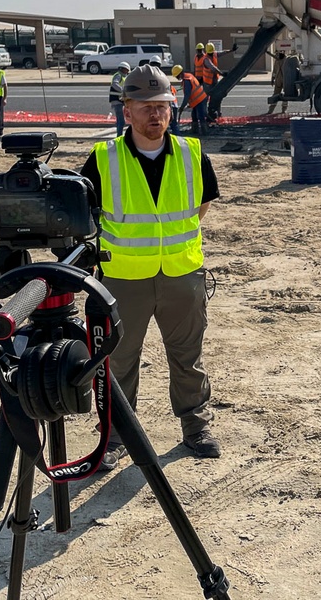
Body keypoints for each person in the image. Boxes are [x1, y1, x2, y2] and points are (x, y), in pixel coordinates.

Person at [80, 64, 223, 469]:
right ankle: (115, 437)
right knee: (119, 358)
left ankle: (195, 427)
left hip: (182, 274)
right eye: (145, 106)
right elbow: (87, 213)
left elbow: (203, 203)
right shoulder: (102, 159)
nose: (155, 114)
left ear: (172, 108)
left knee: (187, 356)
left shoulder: (192, 153)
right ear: (127, 111)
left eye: (162, 105)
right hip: (123, 279)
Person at [173, 64, 209, 136]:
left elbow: (187, 95)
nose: (177, 78)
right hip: (198, 100)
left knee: (200, 116)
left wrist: (182, 107)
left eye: (177, 76)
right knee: (194, 116)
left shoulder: (187, 81)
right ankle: (195, 130)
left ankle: (204, 132)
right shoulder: (188, 75)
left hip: (200, 99)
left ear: (180, 74)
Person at [108, 61, 131, 137]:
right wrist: (123, 90)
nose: (127, 72)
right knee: (121, 121)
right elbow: (115, 84)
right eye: (126, 70)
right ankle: (119, 136)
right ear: (122, 69)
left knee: (120, 120)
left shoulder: (123, 76)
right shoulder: (118, 75)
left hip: (120, 101)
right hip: (116, 101)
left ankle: (119, 135)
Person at [265, 50, 287, 114]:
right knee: (275, 94)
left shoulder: (286, 60)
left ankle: (284, 109)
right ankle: (271, 109)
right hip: (278, 80)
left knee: (286, 95)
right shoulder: (276, 61)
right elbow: (274, 71)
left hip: (285, 79)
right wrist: (272, 79)